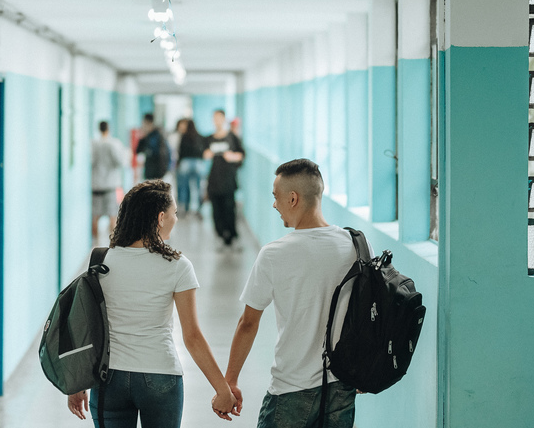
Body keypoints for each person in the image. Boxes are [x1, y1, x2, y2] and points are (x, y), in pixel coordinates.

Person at [66, 180, 237, 427]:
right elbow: (192, 337)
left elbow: (86, 326)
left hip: (108, 378)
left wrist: (77, 381)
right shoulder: (178, 265)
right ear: (160, 217)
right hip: (160, 375)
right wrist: (222, 390)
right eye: (174, 213)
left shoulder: (101, 260)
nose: (176, 219)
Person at [223, 159, 360, 428]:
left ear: (293, 198)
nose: (274, 204)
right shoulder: (353, 244)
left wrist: (230, 380)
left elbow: (248, 323)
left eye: (276, 197)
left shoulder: (275, 253)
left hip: (292, 388)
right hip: (342, 385)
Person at [202, 110, 245, 248]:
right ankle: (221, 236)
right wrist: (207, 154)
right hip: (214, 180)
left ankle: (232, 236)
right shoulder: (209, 139)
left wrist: (232, 156)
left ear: (224, 119)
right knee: (216, 211)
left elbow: (242, 155)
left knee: (229, 209)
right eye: (215, 118)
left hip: (228, 180)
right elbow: (203, 154)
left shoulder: (232, 137)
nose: (217, 121)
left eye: (220, 118)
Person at [92, 120, 129, 240]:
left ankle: (95, 244)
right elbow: (120, 162)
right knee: (113, 216)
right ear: (109, 129)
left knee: (95, 216)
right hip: (111, 185)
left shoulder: (93, 143)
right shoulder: (114, 143)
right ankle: (112, 245)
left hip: (96, 185)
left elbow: (91, 162)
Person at [175, 119, 205, 217]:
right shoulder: (199, 136)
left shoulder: (184, 137)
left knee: (184, 187)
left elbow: (181, 150)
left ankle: (184, 208)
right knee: (198, 187)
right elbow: (202, 150)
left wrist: (179, 162)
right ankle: (198, 209)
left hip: (186, 162)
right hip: (198, 163)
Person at [137, 113, 170, 181]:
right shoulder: (146, 136)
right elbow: (138, 150)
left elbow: (163, 153)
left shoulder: (158, 135)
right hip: (149, 171)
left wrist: (165, 169)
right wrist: (142, 137)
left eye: (144, 123)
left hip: (158, 171)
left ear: (149, 123)